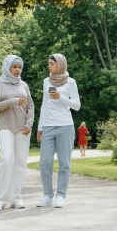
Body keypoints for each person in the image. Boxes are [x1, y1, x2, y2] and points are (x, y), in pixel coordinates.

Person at [36, 53, 81, 208]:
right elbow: (43, 104)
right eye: (48, 64)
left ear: (60, 64)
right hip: (48, 125)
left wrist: (61, 97)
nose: (49, 66)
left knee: (64, 164)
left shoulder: (71, 82)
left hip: (65, 126)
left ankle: (61, 196)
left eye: (52, 64)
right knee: (45, 162)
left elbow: (77, 105)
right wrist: (40, 126)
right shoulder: (45, 81)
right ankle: (47, 195)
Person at [0, 55, 34, 211]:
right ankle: (0, 200)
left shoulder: (24, 85)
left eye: (19, 67)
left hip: (22, 128)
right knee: (6, 159)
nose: (17, 70)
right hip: (5, 126)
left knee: (21, 162)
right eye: (14, 67)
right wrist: (13, 101)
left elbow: (30, 107)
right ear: (7, 67)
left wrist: (29, 124)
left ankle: (15, 198)